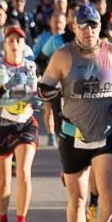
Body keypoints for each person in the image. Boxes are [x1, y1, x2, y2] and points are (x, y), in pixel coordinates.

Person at [37, 3, 112, 222]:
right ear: (74, 27)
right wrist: (55, 93)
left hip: (106, 133)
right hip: (73, 135)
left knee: (110, 197)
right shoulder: (62, 56)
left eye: (93, 24)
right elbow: (44, 87)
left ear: (100, 26)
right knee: (78, 198)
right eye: (83, 24)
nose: (89, 29)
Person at [0, 26, 39, 222]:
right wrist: (6, 86)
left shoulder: (31, 67)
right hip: (1, 126)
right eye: (10, 41)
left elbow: (37, 94)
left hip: (25, 125)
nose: (14, 44)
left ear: (24, 45)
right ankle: (3, 221)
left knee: (24, 173)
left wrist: (39, 99)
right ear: (4, 45)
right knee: (4, 180)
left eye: (18, 41)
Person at [34, 9, 70, 146]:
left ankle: (65, 133)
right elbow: (36, 57)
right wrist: (39, 73)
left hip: (66, 81)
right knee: (49, 108)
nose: (57, 25)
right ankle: (51, 134)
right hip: (48, 77)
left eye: (60, 22)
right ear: (50, 22)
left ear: (65, 23)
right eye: (55, 22)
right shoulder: (44, 38)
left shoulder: (69, 39)